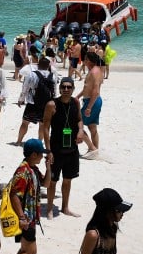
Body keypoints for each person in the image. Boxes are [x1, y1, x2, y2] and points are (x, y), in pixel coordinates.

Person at [0, 139, 44, 254]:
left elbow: (46, 183)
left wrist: (50, 167)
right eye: (41, 154)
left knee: (25, 249)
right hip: (25, 217)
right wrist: (21, 217)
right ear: (33, 154)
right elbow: (14, 195)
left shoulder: (33, 168)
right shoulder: (23, 172)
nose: (42, 156)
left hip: (31, 216)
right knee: (31, 252)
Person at [41, 76, 85, 217]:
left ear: (73, 89)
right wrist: (48, 150)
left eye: (69, 87)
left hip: (72, 149)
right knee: (53, 181)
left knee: (67, 180)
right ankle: (49, 208)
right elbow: (45, 128)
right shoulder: (52, 105)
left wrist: (80, 130)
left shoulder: (75, 102)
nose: (66, 89)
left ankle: (65, 207)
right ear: (59, 89)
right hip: (56, 149)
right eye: (63, 87)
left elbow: (79, 120)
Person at [16, 57, 54, 144]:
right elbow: (54, 91)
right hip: (46, 104)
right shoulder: (53, 76)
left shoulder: (32, 74)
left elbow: (25, 88)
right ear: (48, 66)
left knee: (25, 122)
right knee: (42, 125)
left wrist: (21, 99)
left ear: (38, 65)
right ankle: (39, 142)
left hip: (32, 103)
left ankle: (19, 141)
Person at [78, 53, 103, 150]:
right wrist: (78, 97)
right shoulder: (95, 70)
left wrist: (89, 107)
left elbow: (96, 91)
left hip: (92, 101)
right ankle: (95, 149)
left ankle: (92, 148)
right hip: (93, 101)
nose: (84, 61)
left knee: (77, 123)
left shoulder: (94, 72)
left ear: (90, 61)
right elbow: (87, 88)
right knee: (92, 127)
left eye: (85, 59)